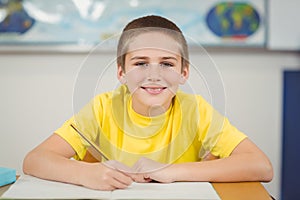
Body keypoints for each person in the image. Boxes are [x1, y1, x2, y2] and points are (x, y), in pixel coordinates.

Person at [23, 15, 273, 191]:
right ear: (121, 73)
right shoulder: (102, 108)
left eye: (167, 63)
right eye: (141, 63)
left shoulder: (195, 110)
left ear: (184, 73)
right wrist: (86, 174)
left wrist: (169, 171)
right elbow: (35, 160)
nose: (154, 75)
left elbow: (261, 166)